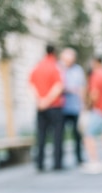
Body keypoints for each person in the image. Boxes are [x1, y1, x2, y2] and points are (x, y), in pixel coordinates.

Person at [29, 44, 64, 172]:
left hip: (40, 106)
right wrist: (48, 100)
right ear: (54, 52)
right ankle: (57, 163)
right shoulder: (56, 66)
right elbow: (58, 86)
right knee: (57, 135)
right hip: (54, 106)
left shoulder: (37, 66)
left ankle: (40, 163)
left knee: (41, 135)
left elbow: (31, 84)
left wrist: (40, 100)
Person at [81, 57, 102, 174]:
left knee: (88, 136)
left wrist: (88, 104)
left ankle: (94, 162)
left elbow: (94, 94)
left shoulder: (96, 75)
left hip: (98, 110)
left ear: (95, 63)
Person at [59, 47, 86, 166]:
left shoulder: (78, 70)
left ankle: (79, 158)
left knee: (77, 134)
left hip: (75, 107)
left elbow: (81, 88)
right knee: (60, 134)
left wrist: (83, 105)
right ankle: (59, 160)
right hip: (61, 107)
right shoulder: (58, 68)